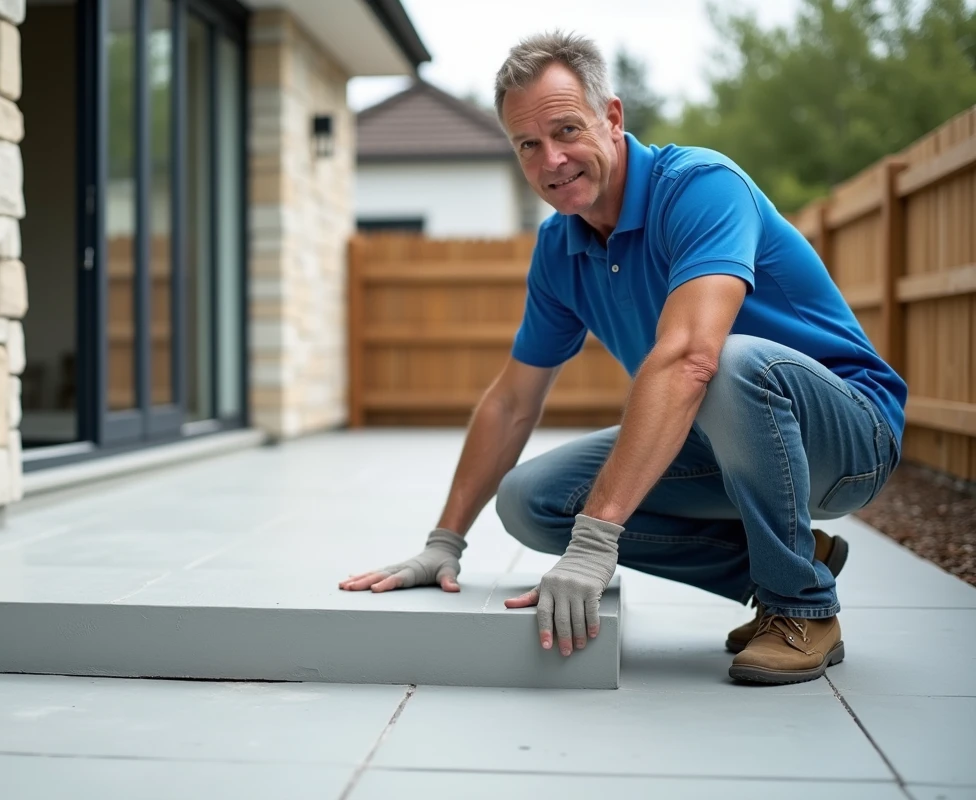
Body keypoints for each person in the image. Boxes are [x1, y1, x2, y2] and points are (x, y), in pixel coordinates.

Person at [338, 31, 906, 686]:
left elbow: (693, 357)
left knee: (727, 359)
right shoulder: (560, 249)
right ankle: (792, 558)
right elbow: (513, 399)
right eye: (528, 145)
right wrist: (444, 542)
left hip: (849, 438)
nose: (552, 159)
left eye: (566, 130)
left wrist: (595, 540)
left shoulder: (700, 189)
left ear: (612, 118)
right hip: (728, 440)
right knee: (532, 500)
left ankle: (800, 605)